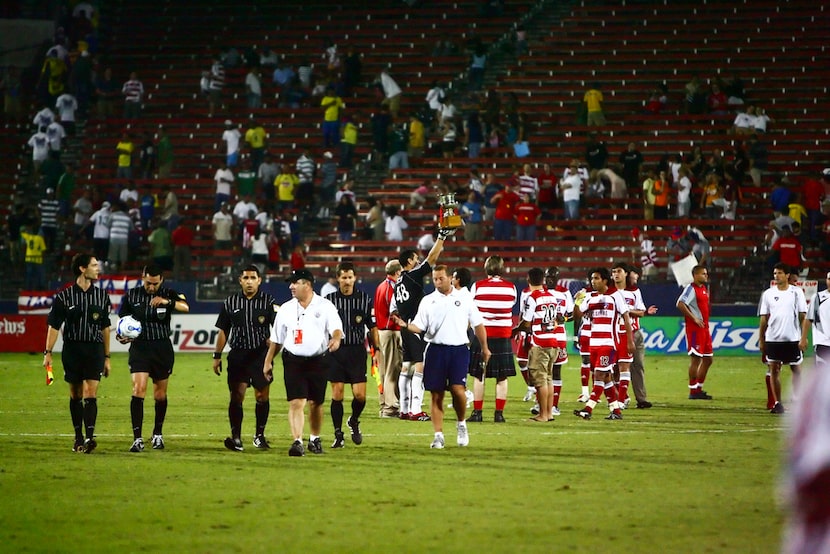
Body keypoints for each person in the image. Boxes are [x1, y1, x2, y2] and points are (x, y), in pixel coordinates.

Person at [392, 265, 490, 448]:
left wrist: (485, 348)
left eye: (441, 278)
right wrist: (405, 325)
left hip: (459, 350)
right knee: (436, 394)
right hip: (435, 350)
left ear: (450, 278)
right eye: (435, 279)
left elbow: (478, 324)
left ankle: (461, 423)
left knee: (458, 390)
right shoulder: (428, 301)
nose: (437, 282)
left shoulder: (465, 299)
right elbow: (419, 327)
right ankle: (438, 435)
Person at [263, 269, 344, 456]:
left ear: (307, 284)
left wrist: (337, 339)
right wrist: (268, 362)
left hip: (319, 361)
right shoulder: (285, 309)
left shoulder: (325, 306)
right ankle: (297, 441)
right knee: (296, 402)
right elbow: (277, 339)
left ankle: (314, 439)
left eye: (295, 282)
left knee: (316, 403)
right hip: (293, 361)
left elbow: (336, 328)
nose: (291, 286)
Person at [43, 253, 112, 453]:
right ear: (82, 269)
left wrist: (107, 357)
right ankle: (78, 437)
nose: (98, 269)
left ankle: (90, 437)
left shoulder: (102, 296)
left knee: (91, 393)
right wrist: (48, 352)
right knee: (76, 394)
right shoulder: (64, 297)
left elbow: (105, 328)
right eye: (94, 265)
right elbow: (54, 326)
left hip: (94, 350)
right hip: (72, 350)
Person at [118, 264, 189, 452]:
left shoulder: (168, 293)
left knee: (160, 395)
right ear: (143, 278)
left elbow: (185, 306)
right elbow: (122, 323)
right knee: (138, 389)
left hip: (162, 348)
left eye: (155, 284)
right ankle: (137, 438)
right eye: (148, 283)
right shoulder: (131, 296)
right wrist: (121, 337)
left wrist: (167, 302)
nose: (151, 287)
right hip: (140, 348)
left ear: (161, 281)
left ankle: (157, 434)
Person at [213, 265, 280, 451]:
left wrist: (273, 341)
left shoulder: (269, 302)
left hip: (261, 356)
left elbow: (280, 327)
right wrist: (216, 355)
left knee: (262, 396)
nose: (249, 281)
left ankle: (259, 436)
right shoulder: (230, 302)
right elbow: (223, 330)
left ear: (259, 280)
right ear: (240, 281)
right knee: (237, 396)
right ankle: (236, 438)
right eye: (246, 278)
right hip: (238, 356)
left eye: (253, 278)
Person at [390, 229, 452, 421]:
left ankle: (404, 409)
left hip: (404, 326)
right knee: (420, 366)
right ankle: (416, 409)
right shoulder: (411, 275)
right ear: (409, 261)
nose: (418, 261)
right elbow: (432, 258)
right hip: (414, 327)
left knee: (406, 366)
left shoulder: (399, 281)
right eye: (415, 259)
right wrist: (442, 237)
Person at [325, 262, 379, 448]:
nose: (347, 281)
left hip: (356, 351)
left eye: (350, 277)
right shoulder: (329, 300)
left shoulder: (364, 299)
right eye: (343, 277)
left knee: (360, 396)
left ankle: (354, 420)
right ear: (338, 278)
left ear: (355, 278)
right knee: (337, 394)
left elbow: (372, 327)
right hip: (336, 352)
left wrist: (376, 350)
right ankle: (338, 434)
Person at [573, 267, 633, 420]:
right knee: (606, 378)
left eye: (596, 278)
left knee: (599, 375)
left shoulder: (615, 295)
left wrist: (630, 340)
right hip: (594, 343)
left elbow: (626, 317)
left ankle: (588, 409)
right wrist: (578, 301)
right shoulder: (590, 297)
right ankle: (616, 410)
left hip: (608, 343)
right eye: (592, 279)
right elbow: (578, 315)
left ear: (605, 280)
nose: (593, 282)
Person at [468, 255, 517, 423]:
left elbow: (471, 310)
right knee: (502, 377)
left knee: (479, 376)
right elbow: (510, 305)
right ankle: (499, 414)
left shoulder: (477, 287)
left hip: (483, 336)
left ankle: (478, 413)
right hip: (503, 336)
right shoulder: (511, 288)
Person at [512, 268, 560, 422]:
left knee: (540, 381)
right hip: (553, 341)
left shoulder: (532, 298)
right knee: (548, 379)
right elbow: (557, 318)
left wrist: (514, 330)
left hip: (540, 343)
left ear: (528, 279)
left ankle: (543, 415)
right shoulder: (551, 297)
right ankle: (549, 413)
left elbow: (526, 322)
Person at [759, 263, 807, 414]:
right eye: (775, 273)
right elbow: (763, 319)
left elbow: (803, 315)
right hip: (773, 338)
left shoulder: (796, 292)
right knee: (774, 369)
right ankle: (778, 403)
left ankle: (798, 399)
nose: (776, 276)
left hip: (792, 338)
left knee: (796, 369)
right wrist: (761, 339)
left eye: (779, 273)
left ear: (787, 275)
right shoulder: (767, 294)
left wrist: (803, 337)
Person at [676, 265, 714, 400]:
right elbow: (680, 303)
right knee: (696, 359)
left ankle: (698, 388)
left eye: (706, 273)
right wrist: (694, 318)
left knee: (708, 359)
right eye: (703, 273)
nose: (706, 276)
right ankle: (693, 390)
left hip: (705, 329)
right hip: (695, 330)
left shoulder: (703, 289)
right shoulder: (691, 288)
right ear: (695, 275)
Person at [374, 260, 403, 418]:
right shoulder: (392, 287)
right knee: (392, 369)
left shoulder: (380, 286)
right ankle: (391, 407)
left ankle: (385, 404)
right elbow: (394, 310)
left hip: (382, 331)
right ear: (397, 272)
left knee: (385, 370)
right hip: (390, 330)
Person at [627, 266, 657, 408]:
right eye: (635, 274)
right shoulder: (615, 292)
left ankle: (641, 399)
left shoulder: (635, 291)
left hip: (636, 332)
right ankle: (620, 398)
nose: (637, 277)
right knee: (618, 367)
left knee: (638, 365)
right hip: (621, 333)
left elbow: (641, 311)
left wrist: (642, 312)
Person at [801, 271, 830, 368]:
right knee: (822, 375)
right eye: (829, 279)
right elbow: (808, 319)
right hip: (822, 342)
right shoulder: (817, 297)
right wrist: (803, 338)